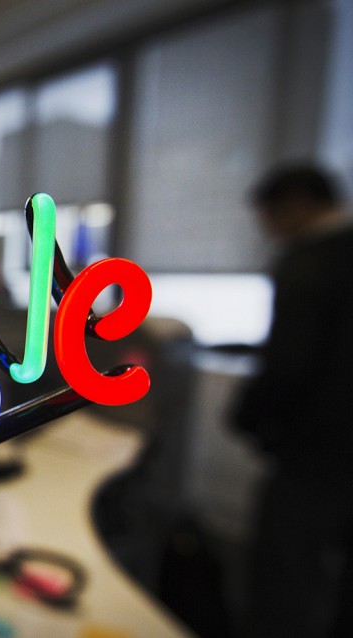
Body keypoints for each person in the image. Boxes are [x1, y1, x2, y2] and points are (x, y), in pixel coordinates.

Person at [233, 163, 353, 638]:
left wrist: (248, 419)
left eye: (268, 218)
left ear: (296, 206)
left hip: (315, 455)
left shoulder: (310, 261)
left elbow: (290, 362)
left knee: (284, 584)